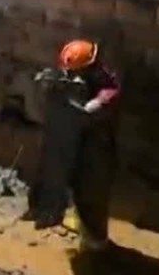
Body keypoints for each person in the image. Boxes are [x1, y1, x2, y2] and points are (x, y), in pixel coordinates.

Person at [47, 39, 121, 251]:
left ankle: (96, 245)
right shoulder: (88, 80)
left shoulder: (105, 94)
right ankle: (85, 231)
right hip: (80, 148)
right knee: (77, 192)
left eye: (73, 73)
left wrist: (70, 104)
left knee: (92, 199)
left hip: (96, 154)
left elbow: (85, 114)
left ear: (88, 70)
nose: (70, 76)